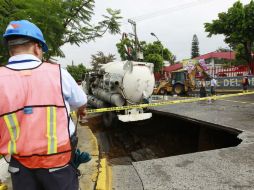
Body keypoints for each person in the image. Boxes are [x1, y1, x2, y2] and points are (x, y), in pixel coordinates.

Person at [0, 20, 87, 190]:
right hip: (58, 163)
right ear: (36, 47)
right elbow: (81, 101)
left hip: (19, 164)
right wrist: (82, 111)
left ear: (10, 48)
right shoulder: (58, 73)